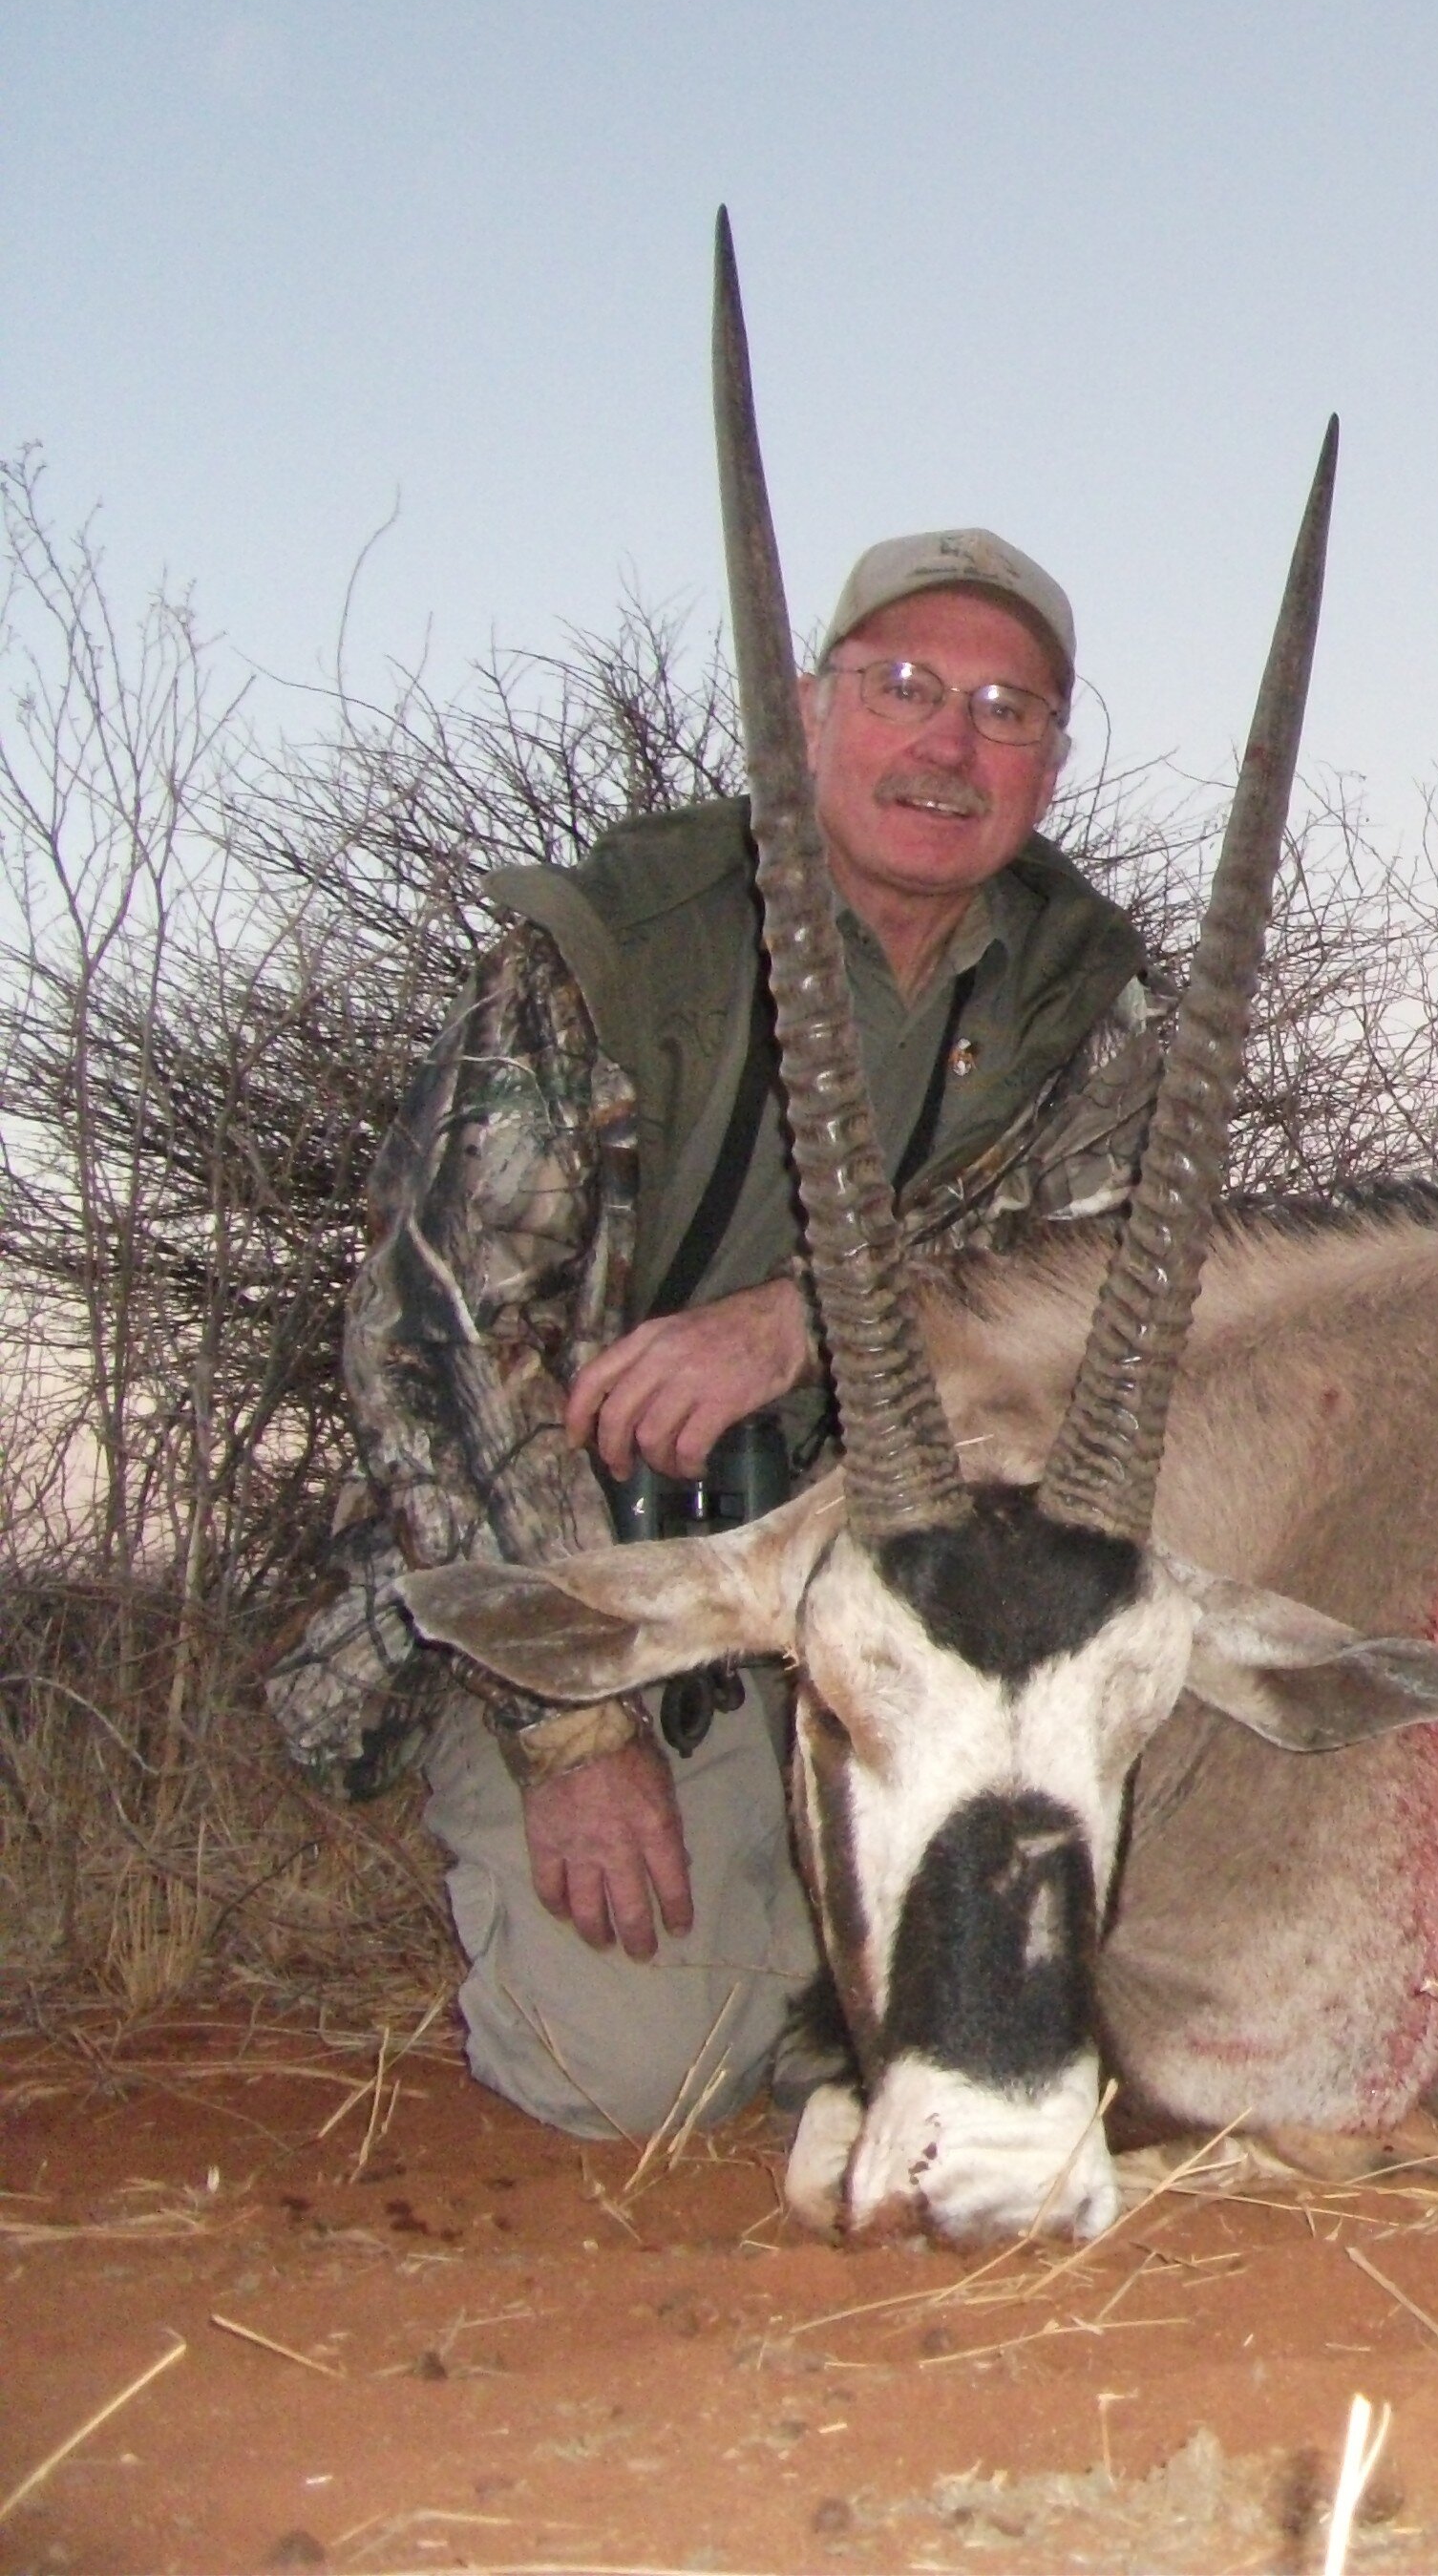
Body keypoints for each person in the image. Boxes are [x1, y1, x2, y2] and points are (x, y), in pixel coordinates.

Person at [269, 529, 1159, 2139]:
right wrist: (578, 1739)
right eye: (904, 688)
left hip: (896, 1587)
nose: (949, 745)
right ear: (813, 711)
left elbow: (1082, 1302)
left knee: (990, 2018)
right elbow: (431, 1342)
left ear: (1050, 756)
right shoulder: (618, 946)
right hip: (602, 1585)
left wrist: (810, 1316)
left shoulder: (1085, 1001)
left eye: (1005, 709)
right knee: (644, 2080)